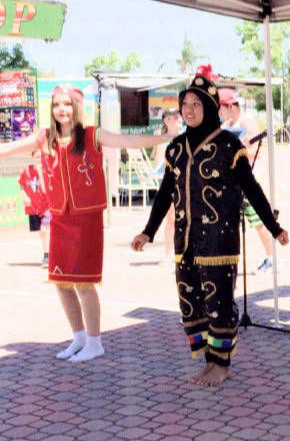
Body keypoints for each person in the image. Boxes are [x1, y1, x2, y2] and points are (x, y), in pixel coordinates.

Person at [131, 67, 289, 387]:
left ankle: (222, 365)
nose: (189, 110)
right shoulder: (176, 149)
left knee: (219, 304)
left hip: (219, 241)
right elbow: (165, 194)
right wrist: (148, 231)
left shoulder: (229, 146)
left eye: (196, 104)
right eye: (185, 104)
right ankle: (209, 362)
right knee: (192, 304)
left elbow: (252, 189)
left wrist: (274, 228)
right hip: (186, 241)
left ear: (211, 107)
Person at [0, 86, 170, 362]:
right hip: (60, 218)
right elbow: (7, 149)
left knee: (84, 283)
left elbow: (128, 141)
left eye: (67, 104)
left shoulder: (92, 135)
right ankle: (79, 338)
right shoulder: (45, 138)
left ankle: (94, 342)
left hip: (86, 219)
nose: (62, 109)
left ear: (76, 108)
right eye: (57, 104)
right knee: (61, 283)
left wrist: (166, 137)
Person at [218, 88, 275, 274]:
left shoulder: (247, 122)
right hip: (230, 182)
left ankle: (272, 259)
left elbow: (255, 151)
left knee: (258, 221)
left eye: (220, 108)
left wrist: (235, 152)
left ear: (231, 106)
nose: (219, 112)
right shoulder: (226, 125)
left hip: (247, 179)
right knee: (229, 223)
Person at [152, 108, 183, 263]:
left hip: (186, 182)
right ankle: (168, 253)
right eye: (175, 117)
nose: (179, 119)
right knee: (171, 218)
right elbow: (158, 164)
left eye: (179, 117)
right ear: (166, 121)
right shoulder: (162, 139)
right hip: (170, 183)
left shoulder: (187, 136)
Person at [18, 149, 50, 267]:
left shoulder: (48, 171)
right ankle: (49, 253)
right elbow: (21, 185)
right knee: (42, 233)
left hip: (47, 207)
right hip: (34, 207)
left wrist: (41, 172)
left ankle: (47, 256)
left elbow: (47, 190)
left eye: (42, 157)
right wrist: (24, 196)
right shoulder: (26, 170)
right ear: (32, 157)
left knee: (44, 230)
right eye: (37, 157)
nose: (39, 159)